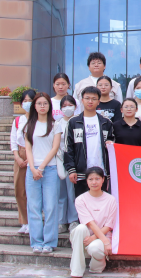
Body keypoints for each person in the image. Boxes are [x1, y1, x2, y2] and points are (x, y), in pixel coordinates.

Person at [20, 92, 62, 253]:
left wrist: (41, 167)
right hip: (32, 171)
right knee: (34, 207)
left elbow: (55, 148)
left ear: (49, 106)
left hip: (49, 169)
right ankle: (36, 242)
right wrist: (32, 168)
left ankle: (49, 242)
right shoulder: (29, 126)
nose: (42, 106)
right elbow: (28, 149)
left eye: (45, 103)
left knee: (50, 207)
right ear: (34, 106)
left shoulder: (55, 125)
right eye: (39, 103)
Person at [64, 87, 115, 197]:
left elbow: (112, 143)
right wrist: (71, 169)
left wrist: (110, 143)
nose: (90, 101)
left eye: (93, 99)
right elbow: (68, 148)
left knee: (101, 203)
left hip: (101, 172)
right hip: (81, 173)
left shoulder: (106, 122)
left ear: (98, 101)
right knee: (82, 203)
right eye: (87, 98)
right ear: (82, 100)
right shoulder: (73, 122)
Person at [70, 167, 117, 278]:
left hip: (102, 237)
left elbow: (109, 225)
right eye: (90, 179)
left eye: (97, 179)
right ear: (86, 181)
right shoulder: (80, 199)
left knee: (95, 249)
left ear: (103, 180)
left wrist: (96, 238)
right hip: (85, 237)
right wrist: (92, 238)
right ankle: (76, 271)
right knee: (80, 228)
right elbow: (89, 223)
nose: (94, 182)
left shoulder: (111, 199)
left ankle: (97, 266)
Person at [10, 88, 35, 235]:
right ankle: (24, 221)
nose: (27, 103)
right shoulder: (18, 121)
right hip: (20, 154)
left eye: (30, 101)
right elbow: (13, 141)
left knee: (33, 191)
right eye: (25, 101)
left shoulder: (39, 120)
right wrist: (18, 157)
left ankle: (33, 221)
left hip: (35, 154)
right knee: (19, 190)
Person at [56, 95, 79, 235]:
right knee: (61, 193)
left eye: (70, 105)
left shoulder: (78, 122)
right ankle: (61, 221)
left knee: (72, 193)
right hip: (59, 159)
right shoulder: (57, 123)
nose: (67, 108)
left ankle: (73, 220)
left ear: (75, 107)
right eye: (64, 106)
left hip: (74, 160)